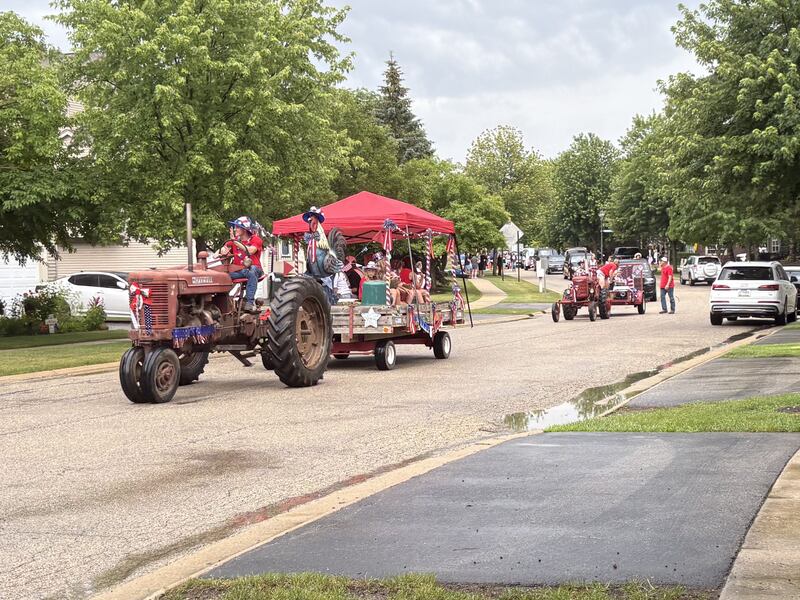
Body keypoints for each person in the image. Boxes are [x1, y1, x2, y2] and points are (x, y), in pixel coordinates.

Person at [219, 216, 263, 312]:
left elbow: (250, 251)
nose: (235, 229)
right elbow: (224, 248)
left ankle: (249, 302)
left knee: (252, 271)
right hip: (239, 271)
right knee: (222, 276)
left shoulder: (256, 239)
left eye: (238, 227)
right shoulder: (233, 241)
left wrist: (234, 241)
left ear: (245, 229)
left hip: (254, 269)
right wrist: (222, 251)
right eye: (235, 227)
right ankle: (220, 302)